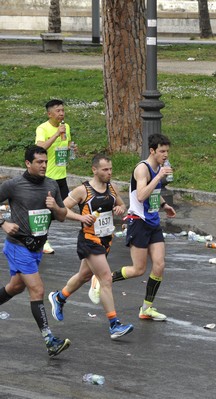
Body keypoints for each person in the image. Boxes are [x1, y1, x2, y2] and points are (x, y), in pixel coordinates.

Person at [47, 153, 134, 340]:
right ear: (94, 170)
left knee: (84, 275)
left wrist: (120, 208)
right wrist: (80, 217)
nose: (109, 172)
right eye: (105, 169)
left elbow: (121, 204)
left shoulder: (112, 187)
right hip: (89, 239)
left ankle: (59, 297)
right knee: (105, 279)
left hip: (106, 239)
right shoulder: (83, 191)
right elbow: (62, 210)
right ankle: (114, 324)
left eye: (110, 169)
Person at [92, 134, 176, 321]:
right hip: (138, 222)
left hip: (153, 223)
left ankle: (146, 308)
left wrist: (164, 205)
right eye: (162, 151)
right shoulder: (142, 169)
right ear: (152, 151)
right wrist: (160, 177)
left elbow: (153, 192)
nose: (165, 154)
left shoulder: (158, 168)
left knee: (160, 265)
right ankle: (103, 279)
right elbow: (140, 195)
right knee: (138, 269)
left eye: (167, 151)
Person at [0, 145, 70, 356]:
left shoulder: (51, 185)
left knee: (15, 287)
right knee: (37, 290)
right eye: (39, 162)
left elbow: (62, 216)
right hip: (17, 246)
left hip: (36, 248)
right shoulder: (13, 185)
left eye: (46, 162)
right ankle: (50, 340)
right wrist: (3, 222)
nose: (44, 165)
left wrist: (55, 207)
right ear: (28, 163)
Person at [35, 99, 74, 254]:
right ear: (49, 113)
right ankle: (42, 240)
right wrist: (56, 134)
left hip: (61, 176)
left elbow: (67, 144)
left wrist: (72, 148)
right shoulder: (42, 128)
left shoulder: (67, 127)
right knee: (47, 210)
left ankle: (39, 235)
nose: (61, 114)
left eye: (63, 110)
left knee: (62, 209)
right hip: (47, 177)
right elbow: (39, 148)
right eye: (58, 111)